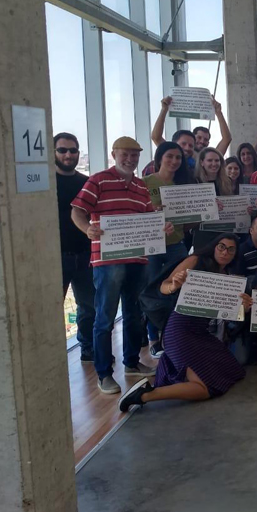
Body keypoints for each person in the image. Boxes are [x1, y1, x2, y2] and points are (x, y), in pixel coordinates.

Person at [71, 137, 174, 394]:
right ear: (114, 154)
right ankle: (104, 373)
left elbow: (148, 219)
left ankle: (131, 363)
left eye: (134, 155)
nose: (130, 159)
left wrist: (161, 227)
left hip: (137, 258)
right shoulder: (98, 180)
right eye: (125, 154)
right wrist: (87, 229)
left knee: (133, 313)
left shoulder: (140, 187)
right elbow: (77, 211)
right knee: (104, 317)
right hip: (107, 260)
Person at [118, 234, 246, 412]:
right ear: (214, 247)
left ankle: (180, 375)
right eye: (221, 247)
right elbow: (164, 286)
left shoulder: (228, 277)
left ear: (235, 254)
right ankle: (144, 395)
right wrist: (174, 286)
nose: (225, 252)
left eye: (231, 250)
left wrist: (243, 307)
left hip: (201, 331)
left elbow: (228, 314)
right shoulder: (196, 260)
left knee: (233, 369)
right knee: (207, 388)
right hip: (179, 329)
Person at [143, 141, 192, 357]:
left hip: (176, 244)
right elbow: (135, 214)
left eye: (178, 157)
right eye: (169, 156)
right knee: (153, 292)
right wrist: (152, 211)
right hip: (152, 246)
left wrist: (208, 210)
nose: (174, 161)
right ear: (159, 158)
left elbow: (189, 221)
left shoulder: (183, 185)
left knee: (180, 289)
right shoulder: (145, 183)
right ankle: (154, 339)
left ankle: (173, 335)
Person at [54, 132, 95, 362]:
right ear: (54, 152)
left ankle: (88, 349)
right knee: (52, 308)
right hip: (56, 256)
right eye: (62, 150)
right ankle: (52, 356)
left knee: (88, 306)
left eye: (73, 150)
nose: (68, 155)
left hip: (85, 254)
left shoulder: (87, 183)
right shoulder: (45, 184)